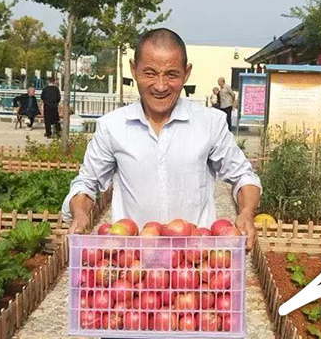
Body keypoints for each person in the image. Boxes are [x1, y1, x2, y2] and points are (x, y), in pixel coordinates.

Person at [62, 28, 261, 249]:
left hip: (194, 260)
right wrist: (80, 213)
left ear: (186, 73)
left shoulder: (209, 124)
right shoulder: (113, 127)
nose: (160, 85)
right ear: (134, 69)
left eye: (172, 74)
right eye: (150, 73)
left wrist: (246, 212)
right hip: (133, 260)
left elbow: (243, 176)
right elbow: (86, 182)